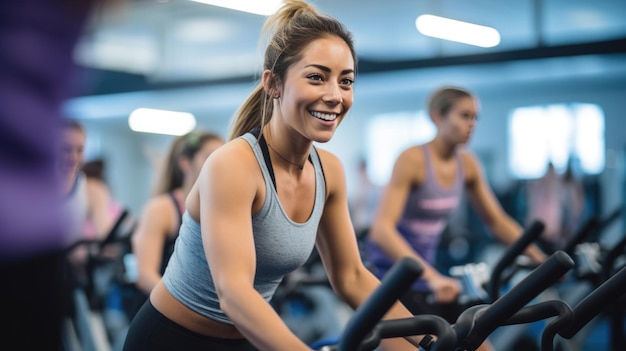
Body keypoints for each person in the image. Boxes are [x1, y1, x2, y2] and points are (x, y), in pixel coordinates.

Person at [123, 1, 422, 350]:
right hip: (170, 339)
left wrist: (427, 339)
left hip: (246, 339)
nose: (334, 95)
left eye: (346, 81)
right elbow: (234, 292)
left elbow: (352, 277)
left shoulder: (330, 172)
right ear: (274, 84)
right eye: (316, 77)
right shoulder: (234, 165)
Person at [366, 86, 548, 351]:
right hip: (388, 279)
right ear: (438, 117)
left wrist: (541, 259)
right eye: (464, 115)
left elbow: (497, 220)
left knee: (482, 346)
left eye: (475, 117)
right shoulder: (412, 160)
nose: (471, 124)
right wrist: (432, 277)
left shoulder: (468, 163)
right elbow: (382, 230)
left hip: (428, 278)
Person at [0, 0, 123, 349]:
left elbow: (101, 236)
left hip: (32, 249)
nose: (72, 157)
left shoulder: (89, 188)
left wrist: (93, 249)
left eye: (79, 151)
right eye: (66, 150)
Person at [129, 131, 224, 316]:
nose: (218, 164)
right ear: (185, 163)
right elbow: (145, 276)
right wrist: (190, 310)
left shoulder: (221, 209)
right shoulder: (161, 210)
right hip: (163, 313)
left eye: (221, 157)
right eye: (209, 157)